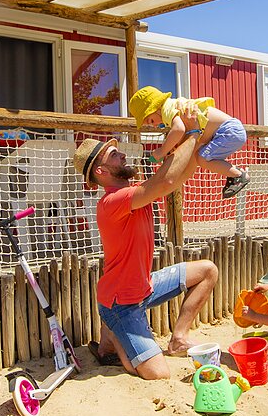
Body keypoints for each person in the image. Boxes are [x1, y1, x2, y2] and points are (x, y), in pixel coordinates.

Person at [73, 134, 219, 380]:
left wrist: (197, 147)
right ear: (101, 170)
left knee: (207, 270)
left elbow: (175, 179)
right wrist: (194, 135)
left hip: (144, 287)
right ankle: (115, 335)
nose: (122, 155)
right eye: (113, 155)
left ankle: (178, 339)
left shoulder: (132, 192)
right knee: (157, 374)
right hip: (121, 304)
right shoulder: (112, 201)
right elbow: (168, 178)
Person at [129, 86, 249, 198]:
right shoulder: (173, 108)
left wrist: (162, 151)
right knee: (200, 157)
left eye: (150, 120)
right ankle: (234, 174)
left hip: (228, 131)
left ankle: (238, 175)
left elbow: (179, 129)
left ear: (156, 108)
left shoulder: (167, 108)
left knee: (203, 159)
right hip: (227, 131)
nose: (154, 125)